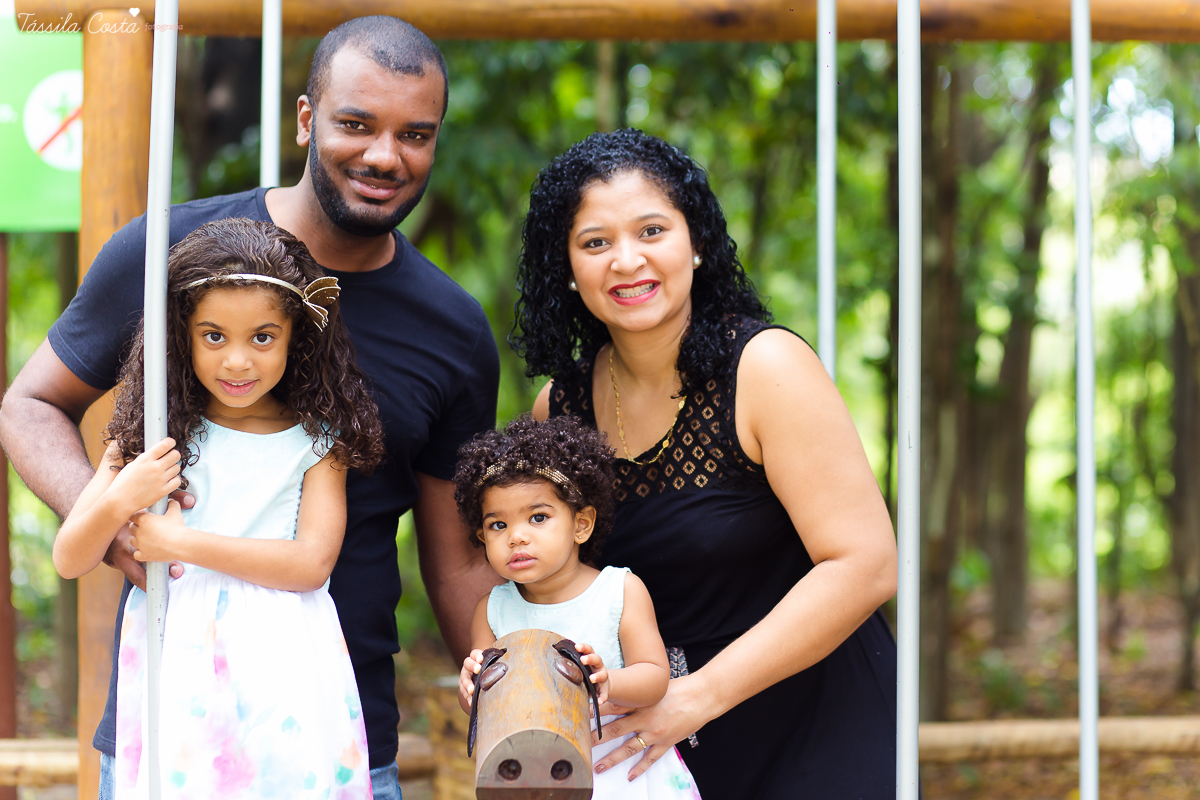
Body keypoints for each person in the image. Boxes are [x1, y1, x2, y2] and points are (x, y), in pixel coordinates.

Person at [0, 16, 500, 800]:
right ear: (307, 120)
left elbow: (456, 557)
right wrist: (112, 526)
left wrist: (508, 670)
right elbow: (28, 405)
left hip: (336, 730)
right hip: (167, 722)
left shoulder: (455, 331)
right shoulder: (171, 253)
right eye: (356, 124)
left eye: (416, 134)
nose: (383, 155)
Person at [511, 129, 900, 799]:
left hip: (818, 726)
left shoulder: (767, 368)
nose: (627, 261)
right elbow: (551, 576)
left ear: (695, 243)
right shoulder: (560, 407)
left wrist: (698, 697)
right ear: (568, 269)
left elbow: (865, 565)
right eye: (596, 242)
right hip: (659, 747)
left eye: (652, 230)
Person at [54, 219, 385, 798]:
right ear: (182, 335)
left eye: (262, 337)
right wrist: (123, 499)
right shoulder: (151, 432)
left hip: (282, 664)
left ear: (296, 338)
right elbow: (69, 557)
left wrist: (177, 543)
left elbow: (311, 563)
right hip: (175, 656)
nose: (237, 361)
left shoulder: (314, 440)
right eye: (213, 336)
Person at [452, 415, 701, 800]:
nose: (516, 536)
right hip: (534, 773)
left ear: (581, 525)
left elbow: (655, 678)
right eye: (498, 525)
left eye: (538, 517)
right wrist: (470, 689)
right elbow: (482, 708)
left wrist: (609, 681)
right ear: (481, 535)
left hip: (616, 767)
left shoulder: (619, 590)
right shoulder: (492, 609)